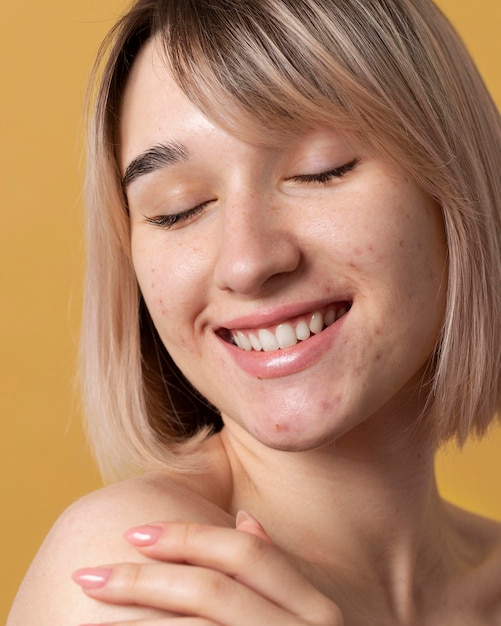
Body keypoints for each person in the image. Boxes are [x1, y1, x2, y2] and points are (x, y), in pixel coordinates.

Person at [7, 0, 501, 623]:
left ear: (453, 182)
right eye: (177, 209)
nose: (246, 262)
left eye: (319, 170)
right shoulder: (152, 582)